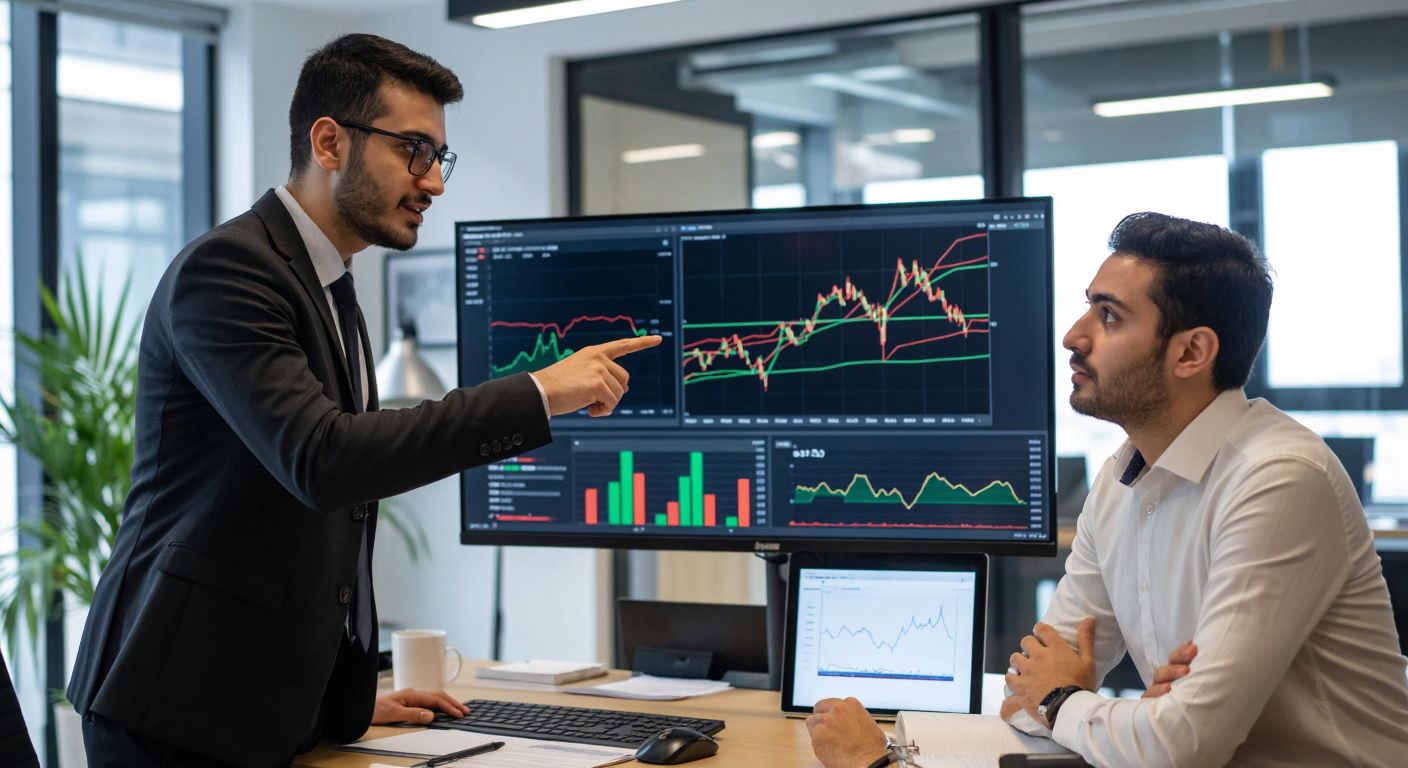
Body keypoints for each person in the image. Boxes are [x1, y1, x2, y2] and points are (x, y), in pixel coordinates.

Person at [66, 34, 659, 768]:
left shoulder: (328, 284)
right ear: (329, 143)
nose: (433, 182)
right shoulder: (227, 271)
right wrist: (538, 392)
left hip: (259, 707)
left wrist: (330, 702)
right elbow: (323, 460)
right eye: (414, 151)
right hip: (177, 709)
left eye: (439, 157)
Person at [807, 212, 1408, 767]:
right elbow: (1024, 699)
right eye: (1087, 309)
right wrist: (1114, 713)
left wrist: (1069, 700)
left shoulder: (1278, 478)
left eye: (1110, 316)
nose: (1074, 335)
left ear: (1192, 352)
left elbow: (1178, 742)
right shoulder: (1121, 478)